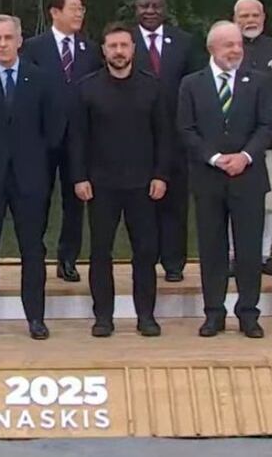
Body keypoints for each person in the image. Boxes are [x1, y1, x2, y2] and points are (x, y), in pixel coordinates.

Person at [0, 15, 64, 341]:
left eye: (8, 38)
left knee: (33, 249)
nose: (3, 44)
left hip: (30, 176)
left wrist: (34, 159)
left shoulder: (42, 79)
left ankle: (35, 317)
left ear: (20, 41)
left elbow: (53, 129)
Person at [71, 22, 171, 338]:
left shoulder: (152, 86)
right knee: (100, 252)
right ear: (104, 50)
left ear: (133, 49)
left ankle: (146, 316)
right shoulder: (87, 87)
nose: (118, 51)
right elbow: (77, 138)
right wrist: (79, 177)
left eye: (124, 46)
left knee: (145, 251)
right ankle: (103, 317)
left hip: (143, 184)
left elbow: (164, 137)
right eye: (112, 46)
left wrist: (161, 174)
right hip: (101, 184)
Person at [178, 21, 272, 339]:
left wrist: (244, 157)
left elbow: (265, 127)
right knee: (212, 248)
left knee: (248, 248)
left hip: (248, 177)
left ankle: (248, 313)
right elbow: (187, 129)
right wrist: (216, 158)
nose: (236, 50)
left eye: (238, 45)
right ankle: (214, 313)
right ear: (211, 49)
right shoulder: (192, 84)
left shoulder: (259, 82)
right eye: (228, 45)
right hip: (209, 178)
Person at [20, 0, 103, 283]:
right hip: (42, 136)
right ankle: (34, 253)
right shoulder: (33, 48)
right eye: (73, 8)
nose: (79, 13)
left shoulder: (90, 50)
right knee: (38, 197)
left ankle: (68, 257)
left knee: (75, 199)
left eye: (82, 8)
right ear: (55, 12)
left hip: (79, 137)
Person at [132, 0, 206, 282]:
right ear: (136, 9)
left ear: (165, 9)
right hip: (136, 137)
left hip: (177, 135)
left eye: (156, 6)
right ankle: (145, 259)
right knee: (142, 203)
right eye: (144, 6)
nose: (150, 11)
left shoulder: (185, 43)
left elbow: (195, 86)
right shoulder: (125, 43)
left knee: (175, 202)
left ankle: (174, 263)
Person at [233, 0, 272, 277]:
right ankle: (234, 256)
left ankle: (263, 255)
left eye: (254, 15)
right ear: (235, 19)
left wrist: (265, 122)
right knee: (234, 202)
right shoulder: (227, 47)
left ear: (263, 17)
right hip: (235, 142)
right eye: (243, 16)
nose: (249, 21)